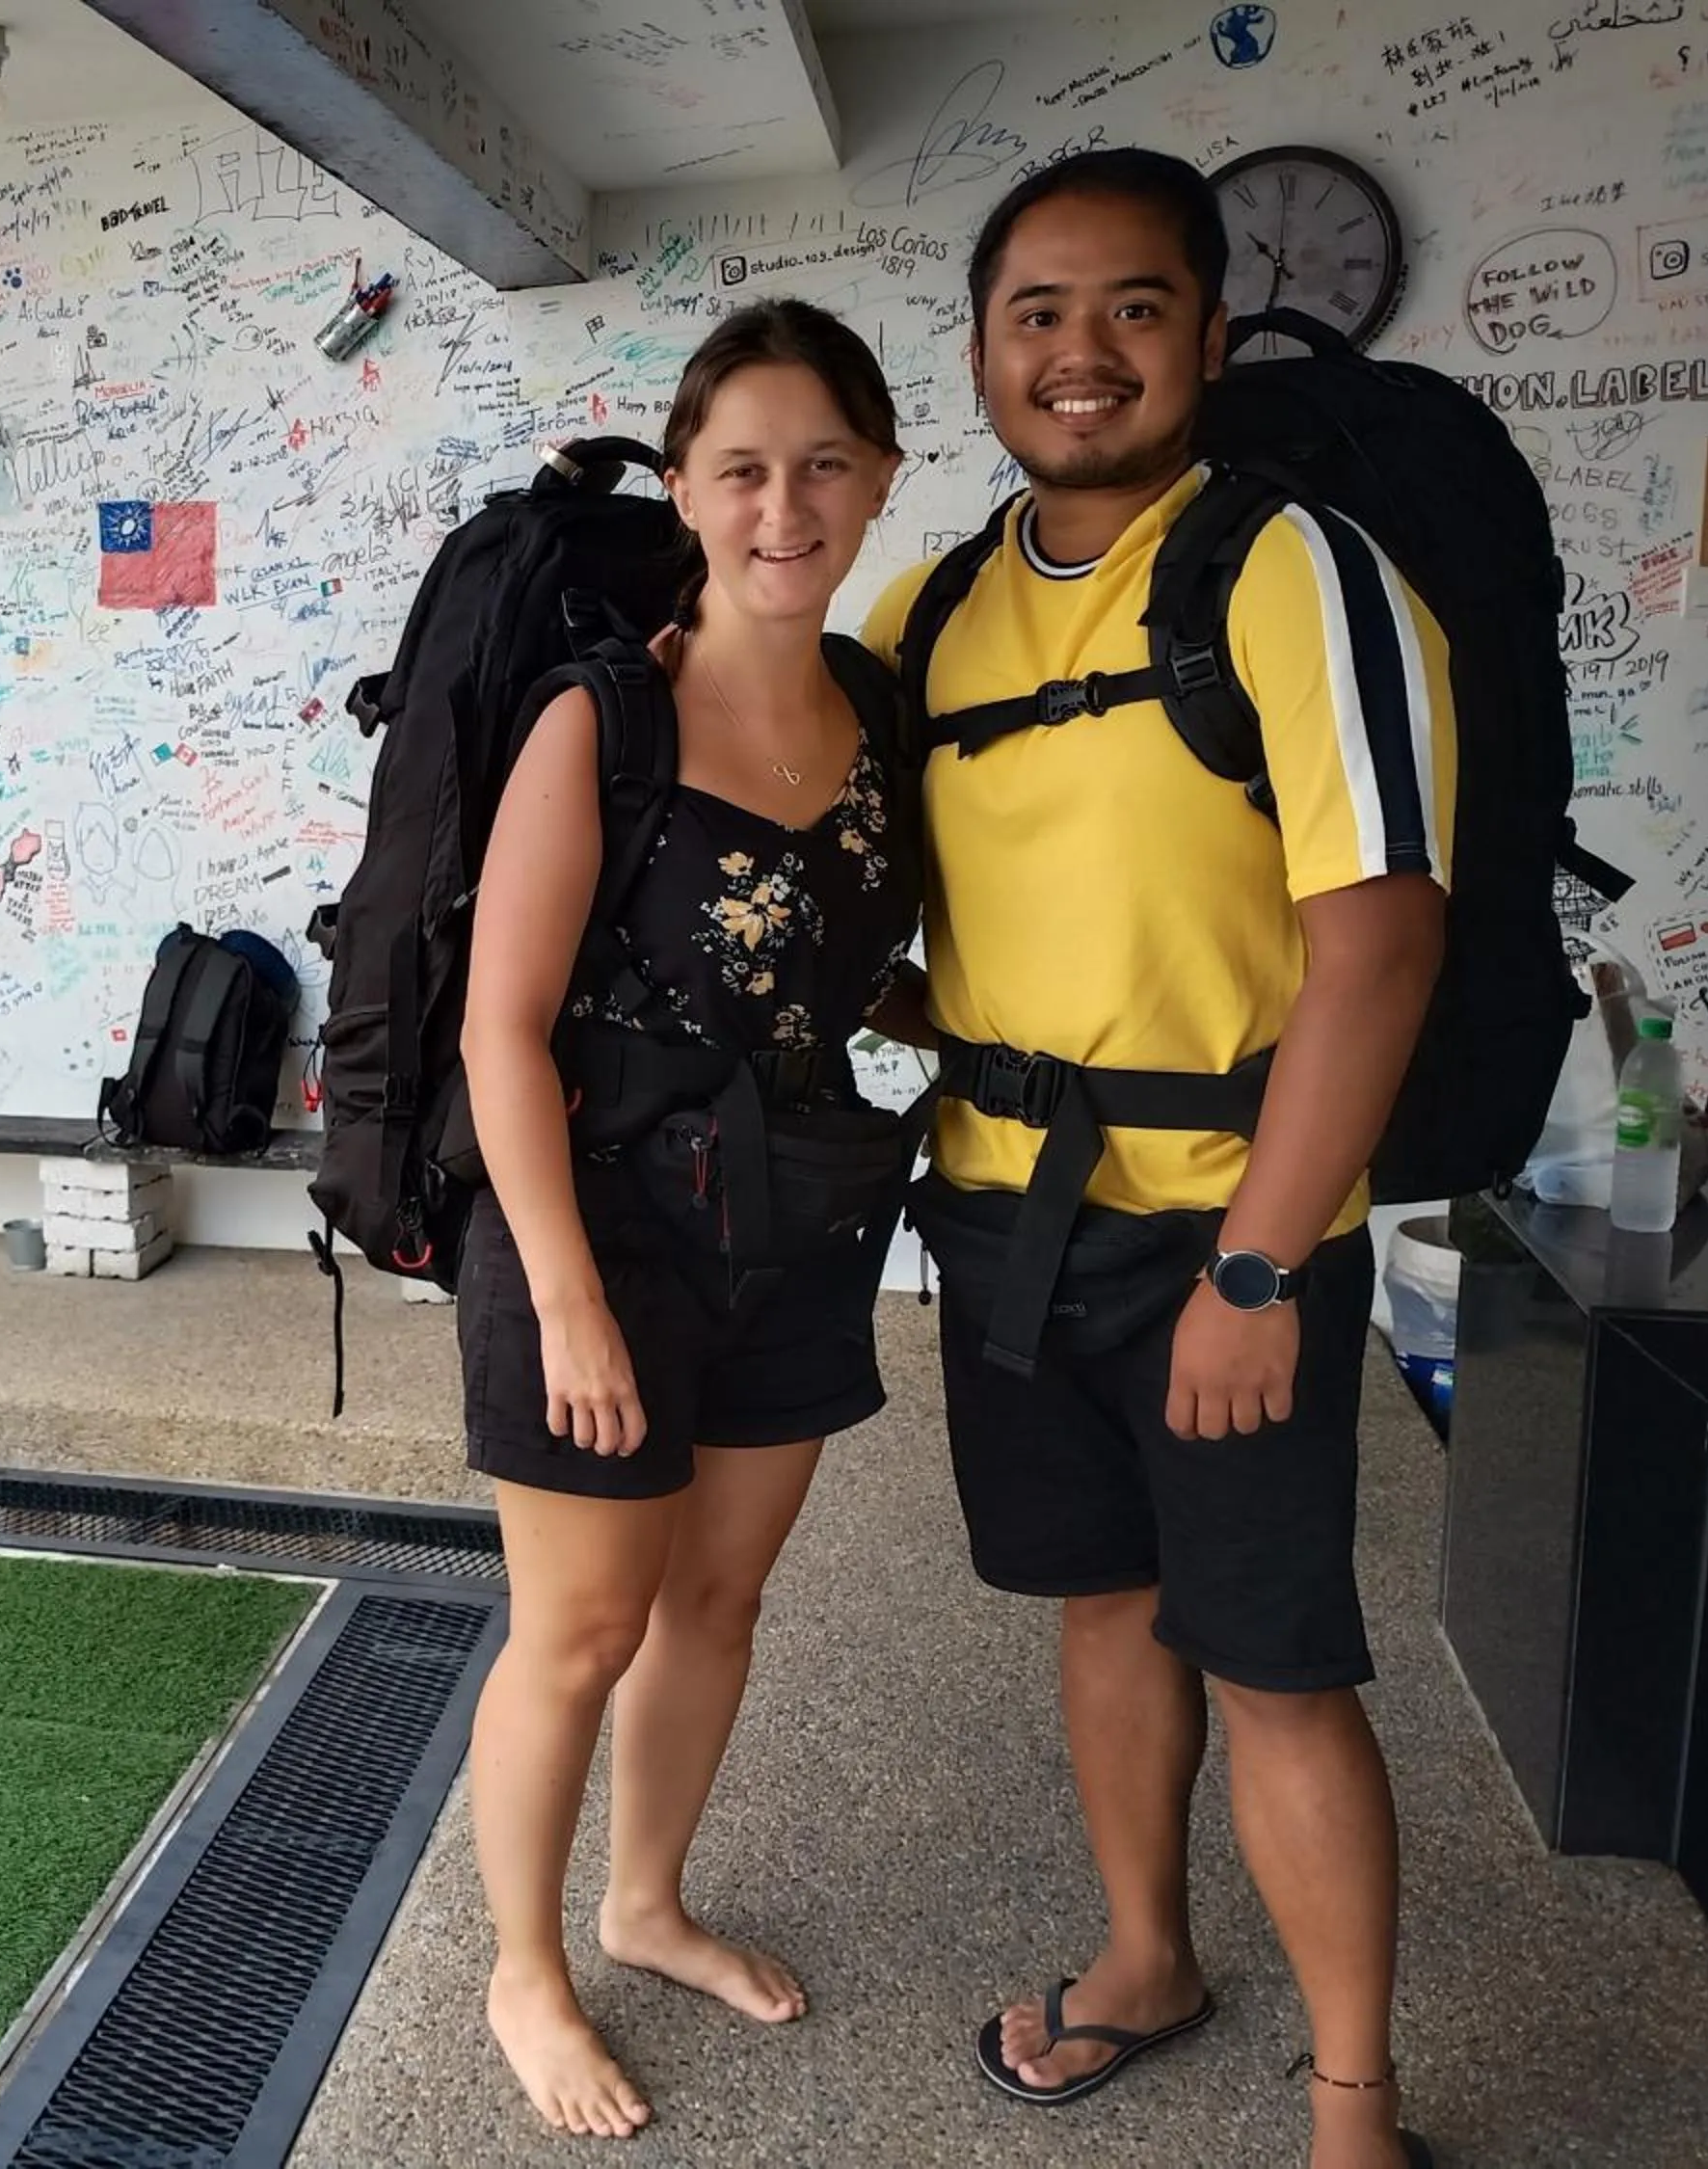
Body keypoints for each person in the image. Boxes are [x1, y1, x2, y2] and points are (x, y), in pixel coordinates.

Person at [859, 149, 1453, 2169]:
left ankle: (1354, 2108)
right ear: (980, 353)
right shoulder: (929, 606)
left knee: (1276, 1665)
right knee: (1102, 1606)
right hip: (1010, 1219)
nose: (1081, 353)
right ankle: (1144, 1958)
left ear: (1208, 334)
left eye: (1130, 307)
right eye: (1038, 313)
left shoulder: (1292, 570)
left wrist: (1265, 1271)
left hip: (1234, 1230)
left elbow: (1379, 940)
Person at [458, 299, 919, 2140]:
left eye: (823, 465)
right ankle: (522, 1965)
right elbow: (501, 1023)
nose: (783, 504)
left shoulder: (882, 708)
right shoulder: (605, 717)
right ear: (689, 488)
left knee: (719, 1597)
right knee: (579, 1626)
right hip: (603, 1233)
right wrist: (565, 1297)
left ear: (879, 479)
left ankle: (644, 1905)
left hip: (796, 1215)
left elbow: (837, 972)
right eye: (743, 468)